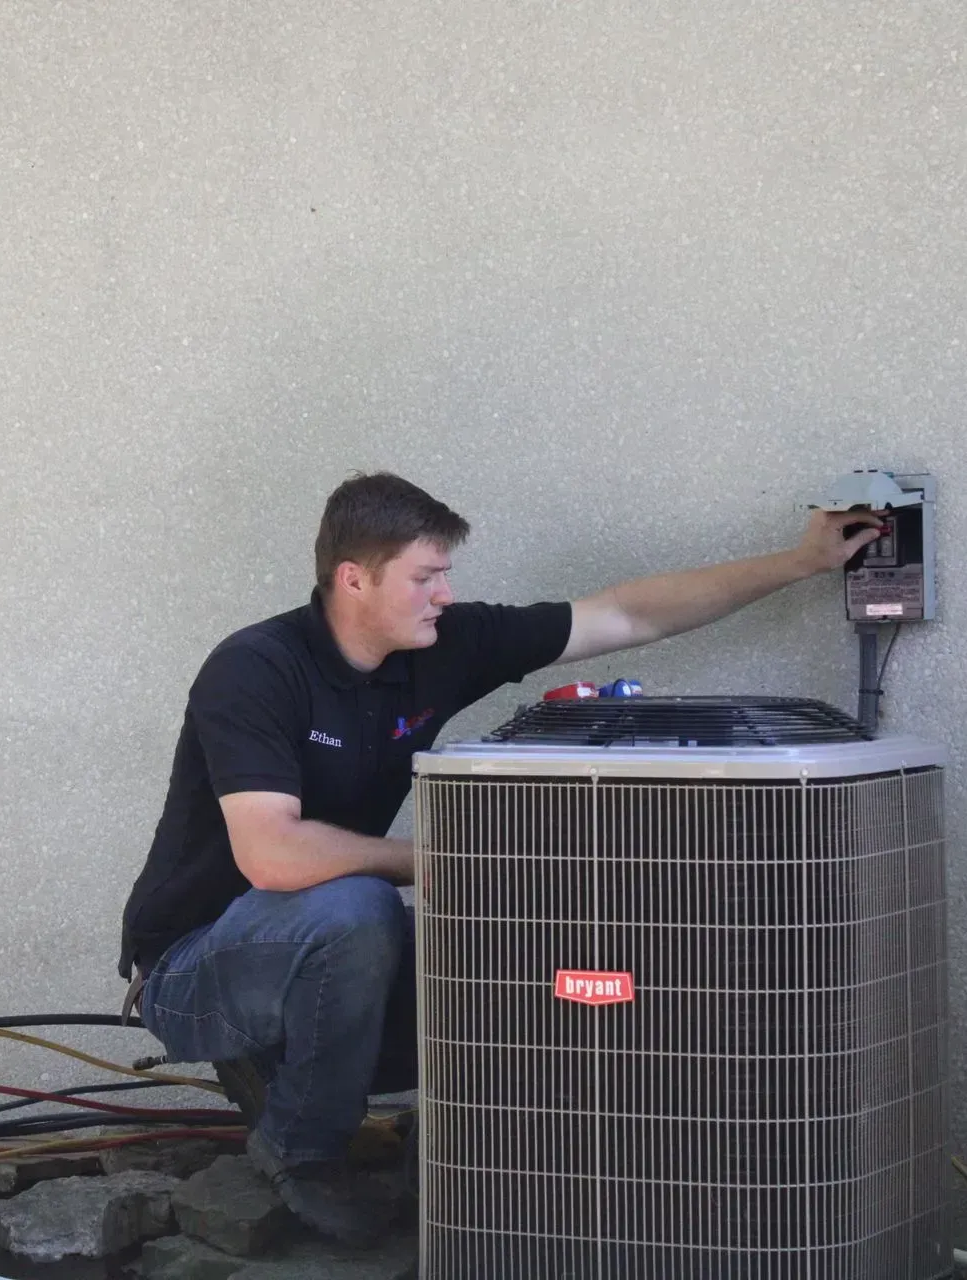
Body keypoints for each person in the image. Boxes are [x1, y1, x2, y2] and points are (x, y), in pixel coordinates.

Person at [117, 471, 880, 1244]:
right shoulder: (256, 668)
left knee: (523, 931)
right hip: (193, 969)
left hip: (321, 945)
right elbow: (272, 853)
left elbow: (624, 613)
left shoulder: (442, 647)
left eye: (445, 574)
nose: (444, 594)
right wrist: (445, 857)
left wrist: (803, 561)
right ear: (354, 579)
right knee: (356, 908)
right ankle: (301, 1153)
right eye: (425, 576)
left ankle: (477, 1157)